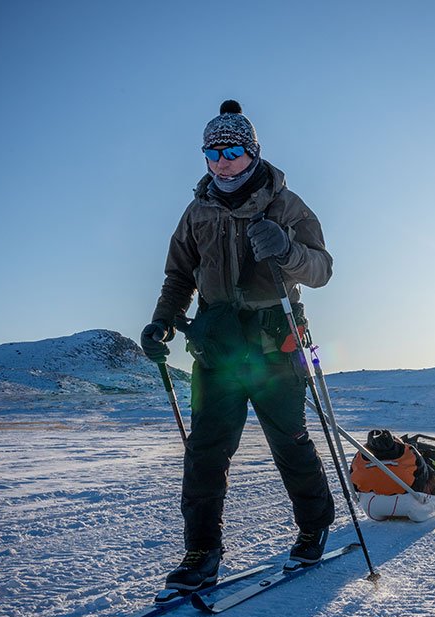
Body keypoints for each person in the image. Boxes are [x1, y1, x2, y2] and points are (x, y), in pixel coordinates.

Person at [140, 100, 335, 591]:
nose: (222, 162)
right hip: (217, 348)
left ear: (253, 152)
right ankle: (201, 552)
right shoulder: (197, 213)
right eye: (213, 153)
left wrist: (287, 250)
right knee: (205, 452)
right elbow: (178, 276)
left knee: (289, 442)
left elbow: (321, 270)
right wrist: (162, 322)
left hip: (274, 347)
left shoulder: (285, 205)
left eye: (232, 152)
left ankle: (314, 527)